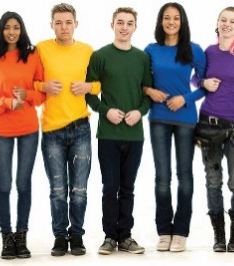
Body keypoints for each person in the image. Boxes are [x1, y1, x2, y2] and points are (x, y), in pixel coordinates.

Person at [35, 2, 100, 256]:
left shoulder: (87, 51)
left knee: (80, 189)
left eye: (68, 22)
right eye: (58, 22)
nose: (64, 27)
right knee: (58, 189)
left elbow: (99, 83)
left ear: (76, 24)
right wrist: (43, 87)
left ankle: (77, 235)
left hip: (81, 128)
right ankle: (60, 236)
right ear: (52, 25)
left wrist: (88, 87)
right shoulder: (41, 49)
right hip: (52, 130)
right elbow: (29, 80)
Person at [85, 7, 152, 255]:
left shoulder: (142, 58)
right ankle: (110, 236)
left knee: (128, 188)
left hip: (134, 135)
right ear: (111, 24)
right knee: (109, 186)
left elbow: (147, 94)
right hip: (108, 135)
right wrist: (106, 111)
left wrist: (140, 112)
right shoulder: (100, 56)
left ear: (135, 27)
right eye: (120, 22)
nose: (124, 27)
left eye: (129, 23)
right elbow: (89, 94)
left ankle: (126, 236)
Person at [0, 11, 45, 259]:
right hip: (2, 130)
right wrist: (8, 102)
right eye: (7, 27)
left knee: (23, 183)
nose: (12, 32)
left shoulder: (32, 56)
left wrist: (26, 96)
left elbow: (41, 94)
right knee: (5, 184)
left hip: (29, 128)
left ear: (22, 30)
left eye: (16, 27)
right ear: (1, 30)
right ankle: (7, 237)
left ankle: (21, 236)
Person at [143, 2, 206, 252]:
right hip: (158, 117)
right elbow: (140, 81)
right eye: (166, 18)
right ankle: (164, 231)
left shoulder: (194, 50)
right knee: (162, 177)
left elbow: (205, 85)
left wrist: (185, 98)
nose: (171, 22)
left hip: (186, 119)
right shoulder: (150, 50)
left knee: (185, 176)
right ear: (160, 22)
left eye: (176, 18)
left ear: (182, 21)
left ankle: (180, 232)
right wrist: (149, 90)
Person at [192, 6, 234, 253]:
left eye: (232, 21)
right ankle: (219, 235)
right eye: (223, 20)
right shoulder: (209, 51)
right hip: (208, 125)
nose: (227, 24)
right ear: (217, 24)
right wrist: (203, 82)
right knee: (212, 182)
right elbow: (197, 79)